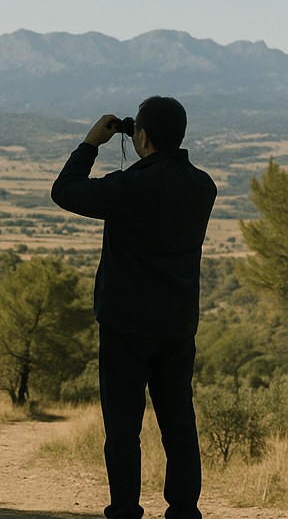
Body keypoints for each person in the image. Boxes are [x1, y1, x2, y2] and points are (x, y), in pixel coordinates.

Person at [51, 96, 217, 519]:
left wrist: (90, 143)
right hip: (178, 324)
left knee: (123, 429)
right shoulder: (203, 186)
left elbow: (64, 191)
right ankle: (183, 510)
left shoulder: (130, 187)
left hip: (125, 323)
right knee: (179, 424)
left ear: (139, 135)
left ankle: (125, 510)